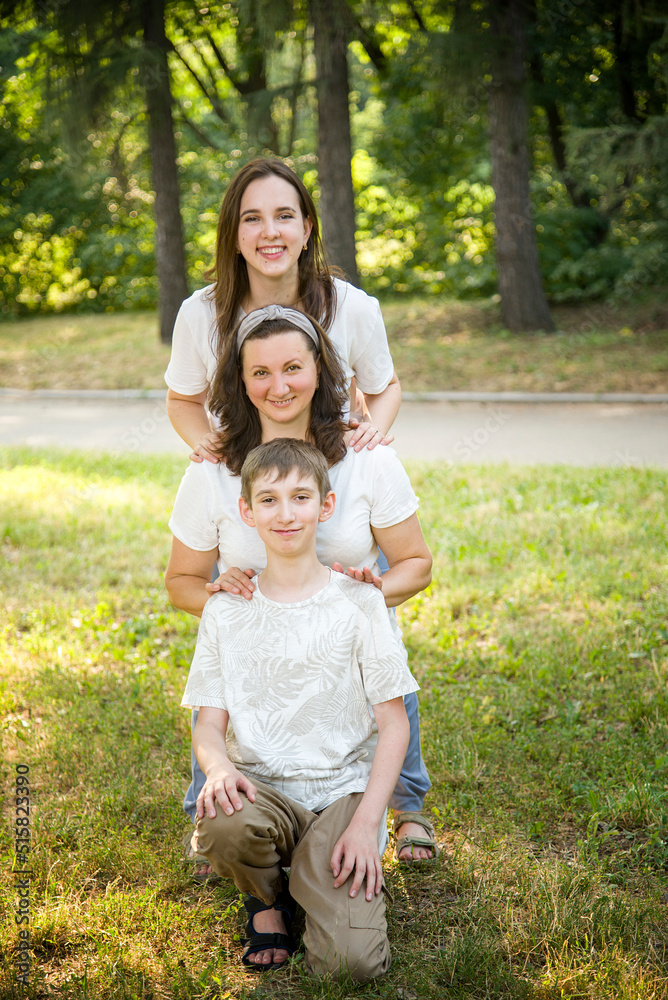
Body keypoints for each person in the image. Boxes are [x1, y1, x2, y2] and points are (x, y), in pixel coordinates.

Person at [166, 306, 438, 867]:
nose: (279, 386)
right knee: (222, 699)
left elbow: (416, 564)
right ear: (240, 381)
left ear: (320, 369)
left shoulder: (367, 458)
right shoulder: (212, 469)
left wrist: (369, 595)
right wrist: (218, 595)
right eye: (260, 372)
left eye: (293, 367)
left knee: (382, 665)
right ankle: (213, 807)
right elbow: (181, 582)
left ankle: (405, 805)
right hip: (257, 668)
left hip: (348, 658)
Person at [182, 437, 419, 978]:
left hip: (342, 796)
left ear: (325, 506)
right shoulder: (226, 611)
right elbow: (208, 724)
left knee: (350, 966)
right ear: (247, 512)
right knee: (223, 825)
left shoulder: (361, 601)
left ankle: (317, 875)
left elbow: (394, 725)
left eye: (300, 497)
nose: (285, 514)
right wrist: (218, 770)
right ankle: (267, 898)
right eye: (268, 500)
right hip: (263, 791)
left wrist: (366, 825)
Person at [164, 156, 401, 462]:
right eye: (252, 218)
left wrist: (370, 433)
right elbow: (183, 400)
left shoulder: (352, 307)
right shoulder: (200, 313)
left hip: (334, 476)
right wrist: (207, 444)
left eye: (284, 216)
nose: (270, 231)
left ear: (306, 230)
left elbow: (385, 387)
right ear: (233, 236)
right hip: (242, 478)